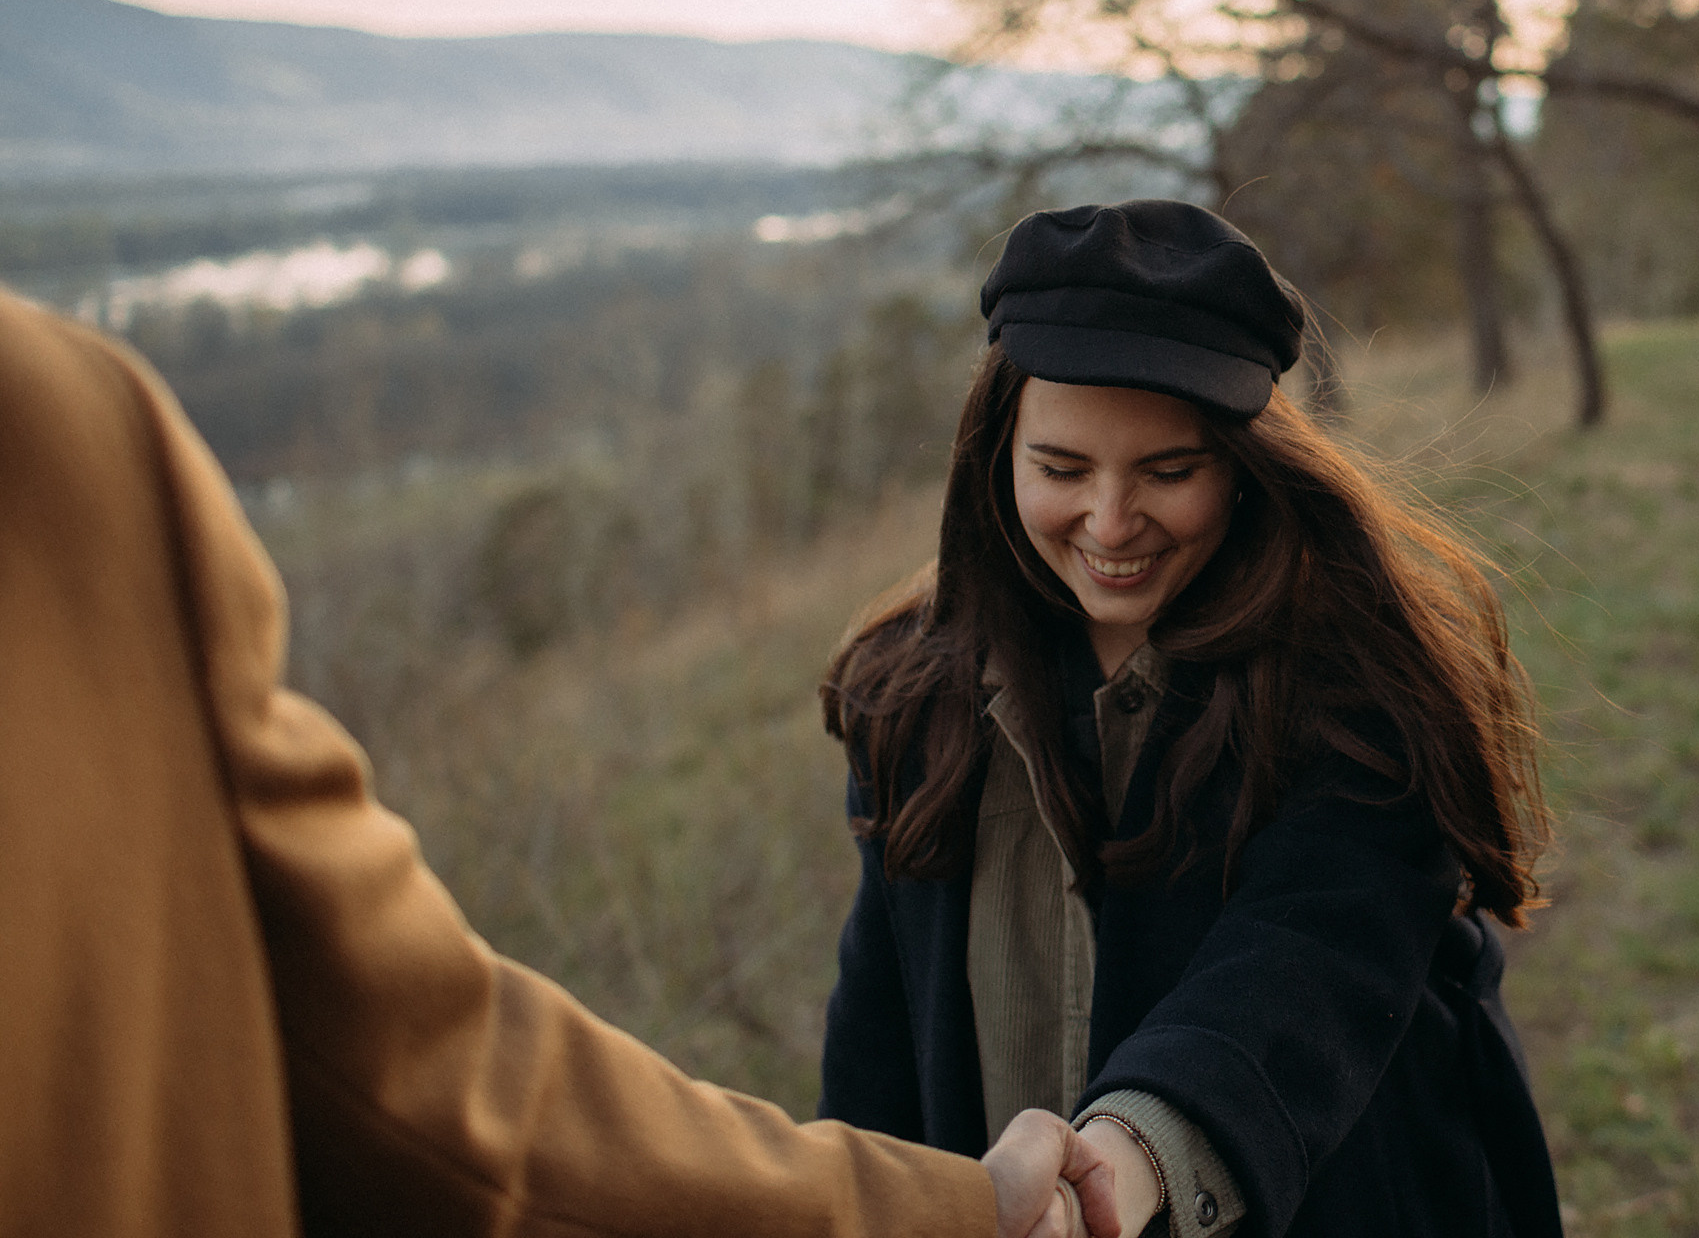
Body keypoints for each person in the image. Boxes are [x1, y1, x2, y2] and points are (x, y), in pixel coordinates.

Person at [0, 285, 1115, 1238]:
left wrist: (943, 1210)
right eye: (1065, 463)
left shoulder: (53, 461)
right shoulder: (60, 443)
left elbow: (433, 1082)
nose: (1111, 518)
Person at [816, 200, 1564, 1238]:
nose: (1112, 523)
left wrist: (1112, 1170)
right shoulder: (910, 696)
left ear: (1244, 464)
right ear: (998, 455)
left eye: (1169, 472)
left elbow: (1302, 968)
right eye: (1062, 469)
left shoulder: (1358, 681)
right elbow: (877, 1045)